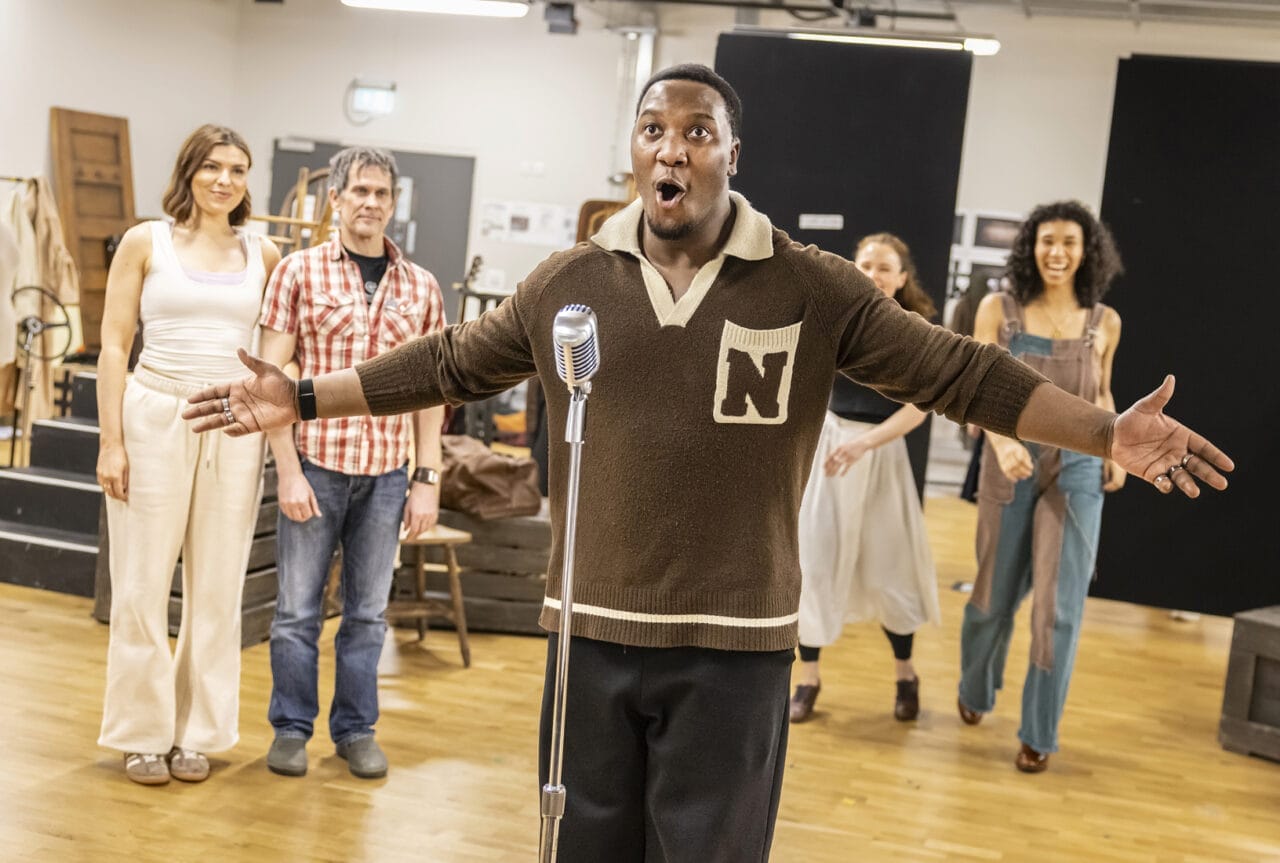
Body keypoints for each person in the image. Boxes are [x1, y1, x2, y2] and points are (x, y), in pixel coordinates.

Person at [184, 67, 1231, 860]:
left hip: (734, 646)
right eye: (651, 130)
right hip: (588, 632)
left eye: (696, 132)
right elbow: (452, 358)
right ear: (631, 155)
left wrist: (1101, 432)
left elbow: (963, 372)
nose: (670, 147)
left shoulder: (811, 288)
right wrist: (306, 393)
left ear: (732, 154)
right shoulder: (570, 281)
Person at [96, 125, 279, 785]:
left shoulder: (265, 253)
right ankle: (141, 733)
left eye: (236, 168)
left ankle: (197, 729)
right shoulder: (146, 241)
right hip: (153, 416)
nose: (224, 180)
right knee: (142, 583)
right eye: (211, 167)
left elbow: (272, 358)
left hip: (232, 428)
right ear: (189, 172)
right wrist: (111, 441)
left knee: (217, 584)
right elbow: (115, 345)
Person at [256, 147, 446, 781]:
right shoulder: (296, 273)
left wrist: (427, 478)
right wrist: (286, 469)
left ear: (394, 204)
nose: (371, 203)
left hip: (389, 475)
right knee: (296, 613)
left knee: (367, 614)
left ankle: (356, 729)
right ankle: (290, 728)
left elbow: (431, 390)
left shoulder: (421, 287)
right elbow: (271, 380)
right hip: (315, 464)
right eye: (359, 191)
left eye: (382, 194)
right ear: (335, 199)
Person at [957, 200, 1125, 774]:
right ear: (1031, 246)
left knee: (1060, 608)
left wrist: (1116, 444)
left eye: (1069, 243)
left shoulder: (1104, 322)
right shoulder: (997, 309)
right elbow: (976, 390)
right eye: (1046, 241)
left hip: (1077, 466)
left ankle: (1039, 731)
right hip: (1009, 459)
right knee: (992, 593)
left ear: (1087, 252)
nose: (1057, 253)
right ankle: (975, 688)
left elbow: (1101, 394)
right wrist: (1001, 443)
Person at [790, 233, 941, 724]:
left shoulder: (915, 331)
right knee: (813, 564)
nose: (873, 273)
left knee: (891, 567)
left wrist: (864, 445)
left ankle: (906, 674)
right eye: (866, 264)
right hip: (831, 456)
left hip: (880, 458)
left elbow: (919, 410)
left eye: (884, 267)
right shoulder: (831, 325)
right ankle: (807, 679)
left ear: (901, 279)